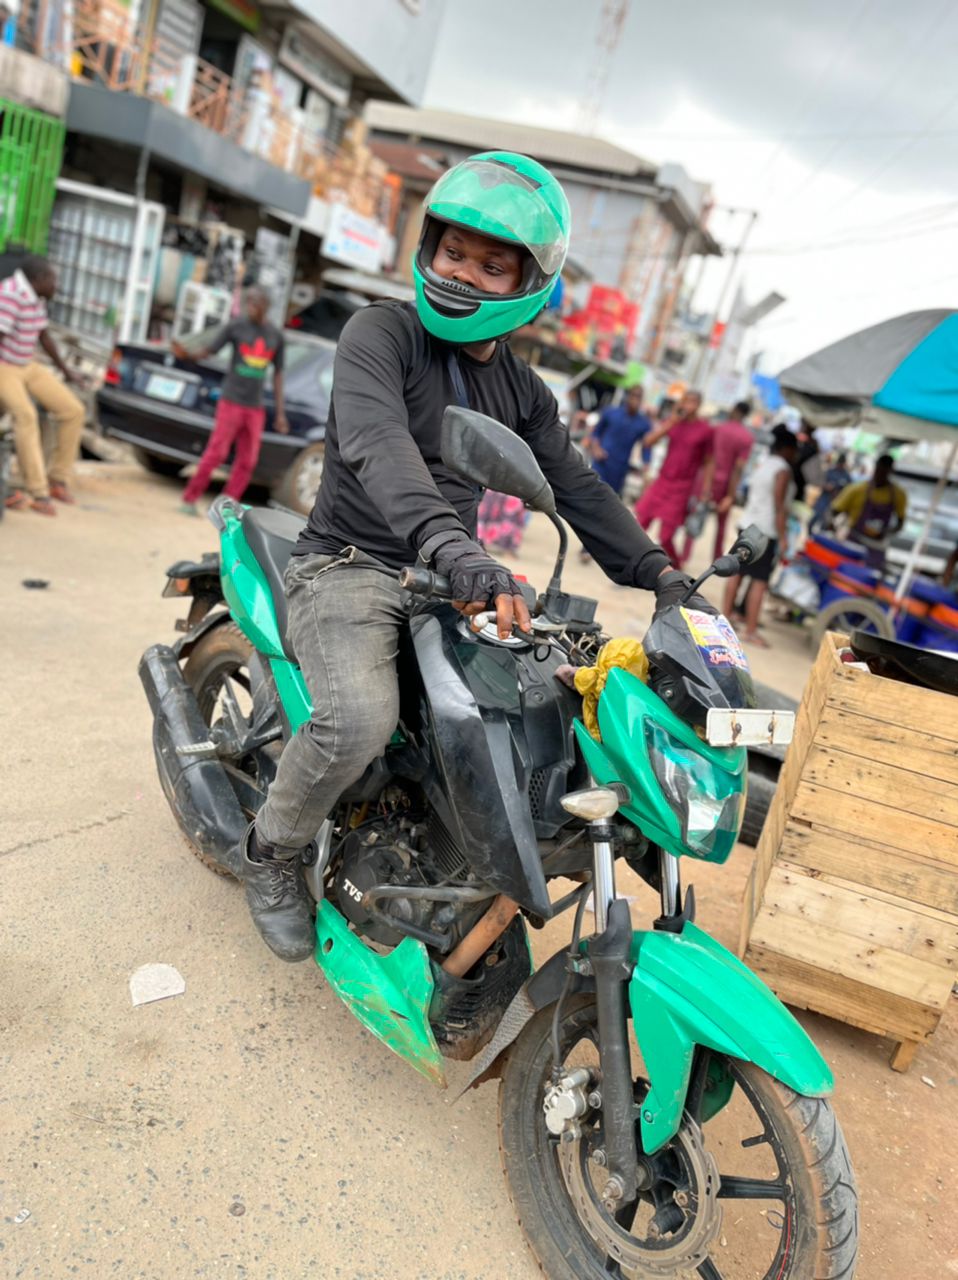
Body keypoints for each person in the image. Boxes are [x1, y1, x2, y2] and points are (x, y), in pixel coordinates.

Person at [235, 151, 712, 961]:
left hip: (450, 580)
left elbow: (579, 490)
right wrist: (461, 554)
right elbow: (381, 447)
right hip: (349, 567)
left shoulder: (525, 394)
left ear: (532, 284)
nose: (465, 275)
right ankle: (271, 853)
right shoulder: (380, 334)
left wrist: (665, 577)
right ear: (426, 250)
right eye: (453, 252)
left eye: (494, 266)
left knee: (544, 718)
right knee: (357, 723)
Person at [173, 285, 288, 513]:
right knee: (217, 453)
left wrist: (280, 413)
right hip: (231, 401)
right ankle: (189, 499)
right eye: (248, 302)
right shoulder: (236, 327)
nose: (251, 306)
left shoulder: (276, 336)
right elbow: (210, 350)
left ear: (266, 305)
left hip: (255, 407)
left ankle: (226, 508)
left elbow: (278, 373)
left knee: (248, 461)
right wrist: (188, 355)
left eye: (256, 302)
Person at [0, 256, 86, 516]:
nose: (56, 285)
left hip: (27, 364)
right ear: (38, 280)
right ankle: (38, 491)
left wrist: (66, 371)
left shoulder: (37, 298)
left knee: (73, 410)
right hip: (5, 365)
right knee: (25, 416)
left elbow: (44, 336)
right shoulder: (10, 295)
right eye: (53, 279)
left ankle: (57, 479)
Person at [722, 424, 798, 647]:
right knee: (759, 582)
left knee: (737, 573)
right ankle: (751, 630)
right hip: (766, 531)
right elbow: (779, 505)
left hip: (747, 524)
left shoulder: (762, 463)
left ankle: (726, 616)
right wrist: (784, 538)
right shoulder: (782, 470)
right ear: (786, 449)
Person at [634, 389, 714, 563]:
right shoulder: (673, 422)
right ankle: (631, 563)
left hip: (683, 487)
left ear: (698, 405)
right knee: (640, 523)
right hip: (662, 480)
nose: (688, 405)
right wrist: (672, 421)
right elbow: (648, 442)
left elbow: (709, 462)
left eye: (692, 401)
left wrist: (706, 490)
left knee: (666, 535)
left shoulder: (706, 430)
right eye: (685, 401)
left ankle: (676, 568)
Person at [679, 398, 754, 565]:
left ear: (733, 409)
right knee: (721, 525)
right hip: (726, 484)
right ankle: (717, 559)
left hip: (705, 478)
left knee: (696, 515)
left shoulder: (716, 429)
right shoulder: (746, 438)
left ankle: (684, 557)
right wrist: (731, 495)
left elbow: (704, 457)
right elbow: (738, 468)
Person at [830, 454, 906, 570]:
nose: (881, 475)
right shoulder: (857, 489)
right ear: (875, 468)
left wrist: (886, 531)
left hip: (877, 547)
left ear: (891, 471)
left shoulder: (898, 495)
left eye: (885, 472)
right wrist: (835, 528)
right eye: (879, 470)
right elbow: (835, 511)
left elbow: (900, 523)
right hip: (854, 541)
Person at [582, 383, 652, 496]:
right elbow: (596, 433)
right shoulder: (611, 412)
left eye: (639, 397)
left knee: (610, 499)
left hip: (620, 468)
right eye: (633, 395)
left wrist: (646, 466)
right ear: (628, 396)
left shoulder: (643, 424)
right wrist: (596, 449)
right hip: (602, 463)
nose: (635, 399)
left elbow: (646, 446)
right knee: (591, 492)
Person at [809, 451, 852, 533]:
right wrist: (826, 486)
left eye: (841, 464)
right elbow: (820, 482)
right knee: (814, 518)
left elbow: (849, 490)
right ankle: (810, 536)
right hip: (824, 498)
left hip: (835, 502)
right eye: (839, 463)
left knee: (826, 524)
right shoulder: (830, 471)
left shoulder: (846, 476)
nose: (840, 465)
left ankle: (820, 538)